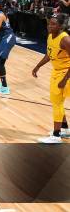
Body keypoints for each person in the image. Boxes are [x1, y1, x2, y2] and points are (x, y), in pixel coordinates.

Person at [32, 14, 70, 144]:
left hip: (66, 73)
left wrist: (65, 79)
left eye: (53, 24)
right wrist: (37, 66)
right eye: (49, 23)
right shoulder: (50, 36)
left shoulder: (65, 39)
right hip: (56, 72)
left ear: (60, 26)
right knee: (57, 102)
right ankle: (64, 128)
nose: (50, 26)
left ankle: (56, 135)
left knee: (57, 103)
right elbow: (49, 55)